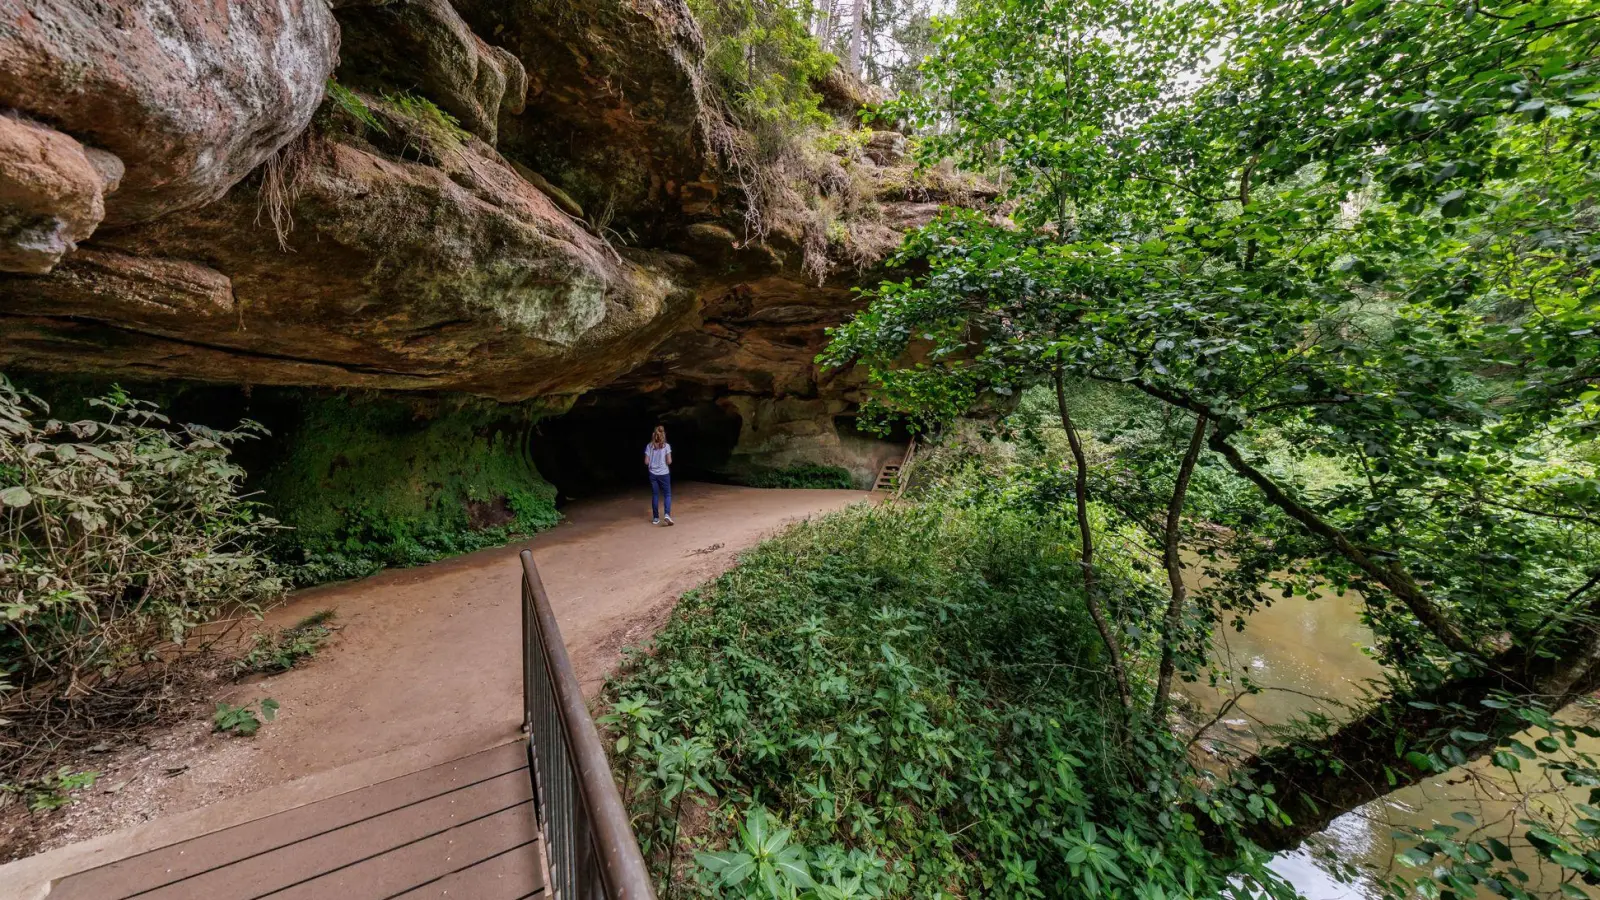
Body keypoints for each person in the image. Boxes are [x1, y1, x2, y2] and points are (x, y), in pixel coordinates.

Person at [644, 425, 673, 525]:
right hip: (664, 473)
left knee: (655, 495)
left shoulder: (649, 446)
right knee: (667, 494)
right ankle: (667, 515)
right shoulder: (666, 446)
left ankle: (656, 518)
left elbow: (646, 462)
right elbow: (669, 461)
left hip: (653, 474)